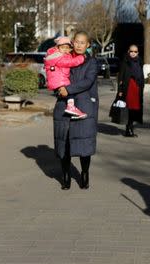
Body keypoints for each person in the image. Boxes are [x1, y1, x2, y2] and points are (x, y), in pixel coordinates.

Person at [54, 31, 99, 190]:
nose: (79, 45)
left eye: (83, 42)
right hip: (64, 105)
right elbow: (54, 75)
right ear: (73, 42)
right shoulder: (63, 57)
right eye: (77, 42)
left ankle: (84, 173)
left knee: (84, 143)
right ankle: (65, 176)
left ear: (87, 45)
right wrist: (57, 88)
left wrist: (69, 89)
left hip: (84, 106)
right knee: (64, 143)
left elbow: (88, 81)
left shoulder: (91, 62)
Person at [45, 36, 87, 119]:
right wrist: (81, 58)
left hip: (58, 81)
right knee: (70, 93)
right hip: (59, 81)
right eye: (62, 47)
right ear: (57, 48)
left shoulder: (59, 55)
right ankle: (71, 108)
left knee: (68, 95)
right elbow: (70, 63)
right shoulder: (57, 57)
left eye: (67, 48)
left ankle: (72, 112)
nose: (65, 49)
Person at [115, 44, 144, 137]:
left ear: (138, 53)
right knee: (128, 109)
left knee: (135, 110)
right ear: (128, 52)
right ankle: (128, 129)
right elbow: (121, 77)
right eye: (131, 51)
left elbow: (141, 76)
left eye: (135, 51)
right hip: (128, 89)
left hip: (137, 89)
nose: (133, 53)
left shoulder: (139, 62)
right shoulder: (125, 62)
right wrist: (120, 90)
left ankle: (130, 128)